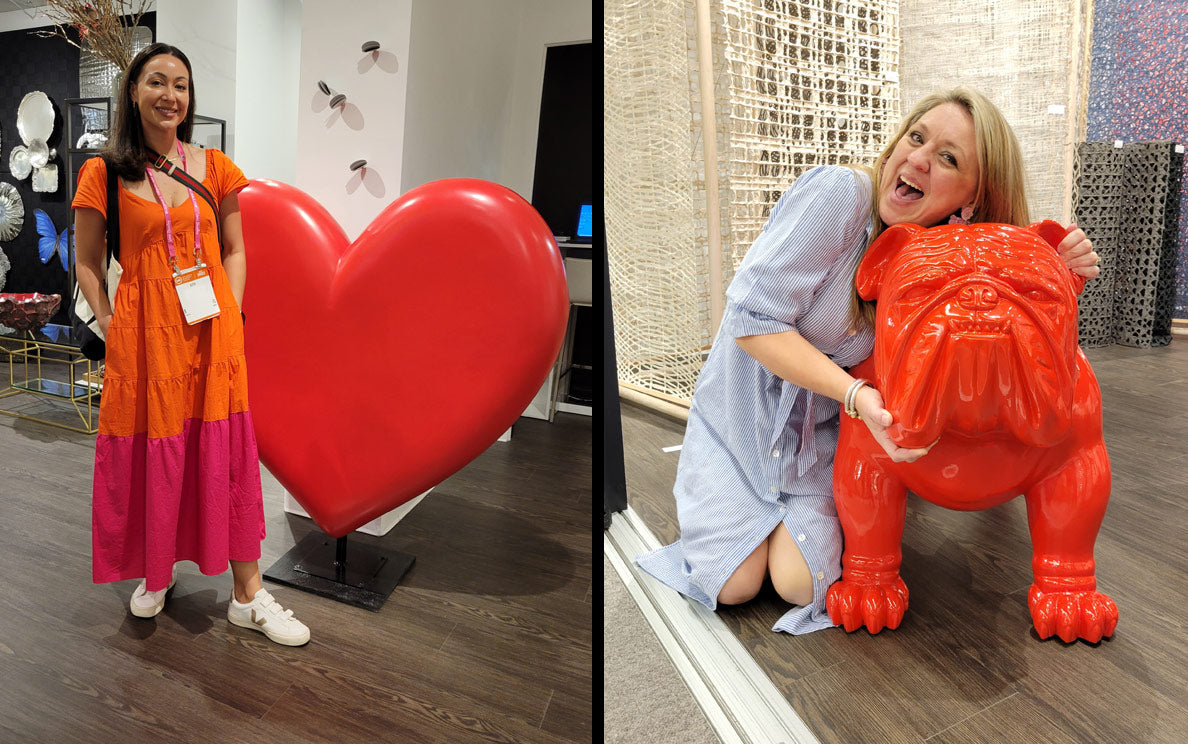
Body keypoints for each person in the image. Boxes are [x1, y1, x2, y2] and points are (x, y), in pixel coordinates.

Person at [635, 88, 1100, 634]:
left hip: (820, 436)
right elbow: (750, 322)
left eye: (948, 158)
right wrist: (856, 395)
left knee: (797, 584)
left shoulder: (947, 246)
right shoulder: (839, 196)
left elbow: (1010, 317)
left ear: (973, 198)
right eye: (917, 137)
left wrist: (1062, 268)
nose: (919, 159)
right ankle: (719, 507)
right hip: (749, 418)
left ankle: (762, 523)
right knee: (735, 585)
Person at [73, 43, 310, 646]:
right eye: (157, 82)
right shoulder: (104, 172)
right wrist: (109, 326)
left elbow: (235, 249)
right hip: (146, 341)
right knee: (157, 448)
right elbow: (89, 263)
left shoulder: (216, 166)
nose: (169, 96)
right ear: (133, 91)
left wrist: (230, 315)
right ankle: (157, 573)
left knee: (223, 453)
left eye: (180, 85)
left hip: (211, 335)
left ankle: (248, 593)